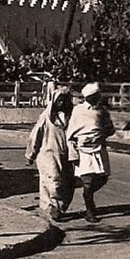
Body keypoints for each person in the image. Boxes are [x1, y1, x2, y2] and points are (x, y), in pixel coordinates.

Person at [66, 82, 115, 223]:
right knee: (88, 180)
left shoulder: (102, 111)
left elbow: (110, 130)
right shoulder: (78, 110)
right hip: (83, 150)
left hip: (99, 148)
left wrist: (100, 136)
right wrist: (74, 149)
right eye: (96, 96)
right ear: (89, 97)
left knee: (102, 178)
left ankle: (87, 195)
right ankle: (90, 210)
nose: (98, 98)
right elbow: (71, 132)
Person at [25, 87, 75, 222]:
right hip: (48, 153)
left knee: (68, 182)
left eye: (64, 100)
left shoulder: (72, 117)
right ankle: (53, 206)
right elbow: (35, 136)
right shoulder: (46, 118)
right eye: (59, 100)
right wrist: (30, 154)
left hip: (67, 154)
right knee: (53, 179)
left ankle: (59, 206)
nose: (62, 103)